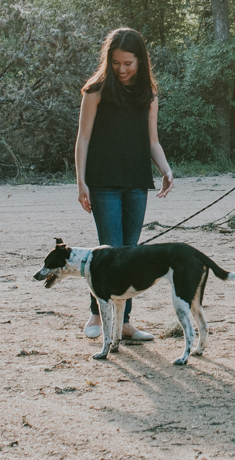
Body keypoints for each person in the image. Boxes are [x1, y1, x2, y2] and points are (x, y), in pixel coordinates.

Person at [74, 26, 175, 341]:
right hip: (102, 182)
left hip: (135, 182)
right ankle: (96, 316)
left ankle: (124, 323)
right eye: (116, 63)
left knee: (129, 253)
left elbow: (153, 141)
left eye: (128, 63)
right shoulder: (96, 90)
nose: (122, 69)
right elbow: (83, 138)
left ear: (141, 61)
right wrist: (81, 182)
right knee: (110, 251)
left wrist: (166, 169)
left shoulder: (149, 94)